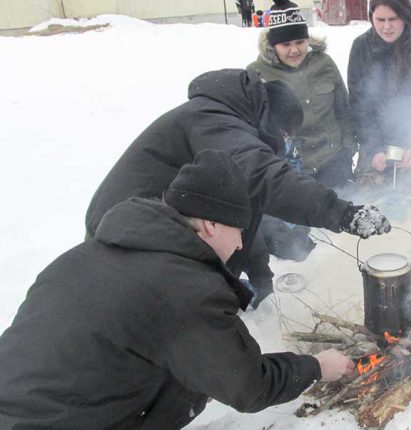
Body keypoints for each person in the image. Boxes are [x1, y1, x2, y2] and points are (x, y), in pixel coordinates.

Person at [0, 150, 356, 430]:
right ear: (211, 224)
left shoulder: (84, 254)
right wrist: (315, 367)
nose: (240, 244)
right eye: (239, 231)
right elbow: (247, 386)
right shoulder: (187, 290)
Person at [85, 68, 390, 308]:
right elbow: (263, 178)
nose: (283, 144)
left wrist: (259, 275)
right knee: (173, 314)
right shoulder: (213, 120)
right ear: (269, 120)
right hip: (124, 233)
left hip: (149, 227)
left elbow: (241, 209)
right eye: (284, 134)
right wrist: (343, 213)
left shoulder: (227, 121)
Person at [347, 0, 411, 210]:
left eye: (393, 19)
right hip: (377, 139)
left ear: (406, 17)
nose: (386, 26)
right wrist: (374, 148)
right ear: (371, 18)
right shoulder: (361, 47)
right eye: (380, 20)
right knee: (368, 198)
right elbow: (359, 105)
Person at [248, 7, 356, 189]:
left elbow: (343, 109)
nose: (294, 50)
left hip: (333, 161)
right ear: (273, 46)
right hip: (290, 169)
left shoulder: (324, 63)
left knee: (341, 212)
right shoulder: (257, 73)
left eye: (300, 42)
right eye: (286, 45)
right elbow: (253, 127)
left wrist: (347, 147)